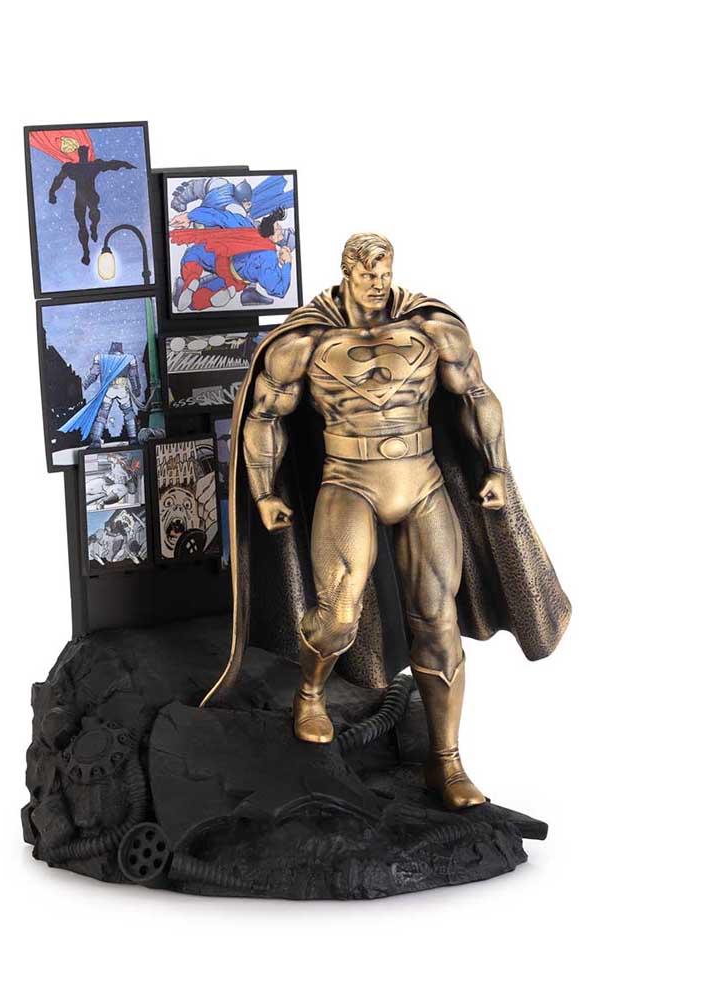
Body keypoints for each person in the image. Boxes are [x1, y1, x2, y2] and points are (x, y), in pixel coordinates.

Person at [201, 233, 571, 810]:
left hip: (422, 481)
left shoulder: (434, 328)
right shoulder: (304, 341)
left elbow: (477, 395)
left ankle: (446, 761)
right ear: (347, 272)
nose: (378, 282)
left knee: (438, 620)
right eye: (367, 272)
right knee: (338, 615)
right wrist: (264, 491)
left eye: (385, 271)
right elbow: (265, 416)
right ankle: (310, 692)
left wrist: (496, 468)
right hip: (347, 480)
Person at [48, 145, 136, 265]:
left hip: (89, 197)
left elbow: (111, 164)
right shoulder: (77, 167)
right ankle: (86, 251)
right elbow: (59, 180)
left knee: (92, 214)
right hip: (82, 198)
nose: (83, 154)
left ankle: (93, 227)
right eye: (82, 152)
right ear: (80, 154)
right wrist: (52, 192)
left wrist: (124, 164)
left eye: (84, 152)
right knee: (82, 225)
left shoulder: (89, 166)